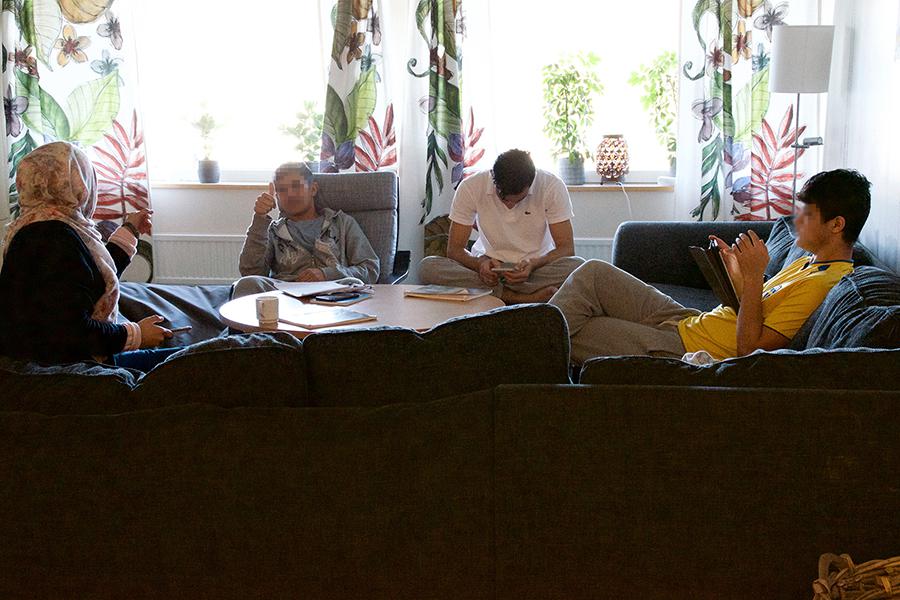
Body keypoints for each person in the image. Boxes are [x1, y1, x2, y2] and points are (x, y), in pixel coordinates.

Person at [549, 169, 871, 364]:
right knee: (593, 273)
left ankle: (520, 355)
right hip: (690, 321)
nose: (795, 220)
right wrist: (737, 272)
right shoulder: (809, 263)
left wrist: (757, 273)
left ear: (836, 225)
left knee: (576, 331)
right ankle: (524, 339)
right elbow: (753, 305)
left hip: (689, 349)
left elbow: (750, 350)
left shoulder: (824, 284)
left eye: (807, 215)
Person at [0, 142, 179, 372]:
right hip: (68, 372)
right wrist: (135, 334)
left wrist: (130, 231)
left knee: (181, 358)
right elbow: (70, 331)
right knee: (189, 367)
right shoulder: (50, 239)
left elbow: (87, 279)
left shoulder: (39, 226)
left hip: (63, 360)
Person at [419, 149, 584, 304]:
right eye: (503, 197)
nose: (510, 205)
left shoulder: (551, 186)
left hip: (535, 270)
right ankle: (518, 297)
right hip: (488, 270)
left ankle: (493, 293)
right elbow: (454, 250)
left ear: (531, 182)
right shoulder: (471, 186)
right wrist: (480, 264)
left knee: (577, 266)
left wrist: (533, 264)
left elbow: (566, 248)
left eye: (517, 199)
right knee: (428, 267)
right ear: (493, 177)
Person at [232, 162, 379, 297]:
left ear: (313, 189)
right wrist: (260, 218)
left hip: (334, 292)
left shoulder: (341, 223)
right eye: (282, 190)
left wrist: (327, 274)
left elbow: (370, 268)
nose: (289, 194)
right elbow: (250, 272)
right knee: (247, 283)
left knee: (353, 282)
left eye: (296, 186)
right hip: (286, 296)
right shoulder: (272, 231)